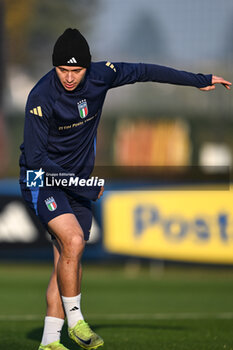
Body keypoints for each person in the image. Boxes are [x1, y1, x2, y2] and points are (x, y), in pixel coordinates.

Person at [19, 28, 231, 350]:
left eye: (77, 70)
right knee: (74, 240)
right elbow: (36, 159)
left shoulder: (103, 75)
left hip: (77, 182)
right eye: (63, 70)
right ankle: (76, 321)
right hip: (41, 180)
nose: (70, 77)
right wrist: (82, 184)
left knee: (66, 257)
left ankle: (49, 342)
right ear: (55, 67)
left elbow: (146, 71)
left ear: (88, 67)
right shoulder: (41, 96)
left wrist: (198, 79)